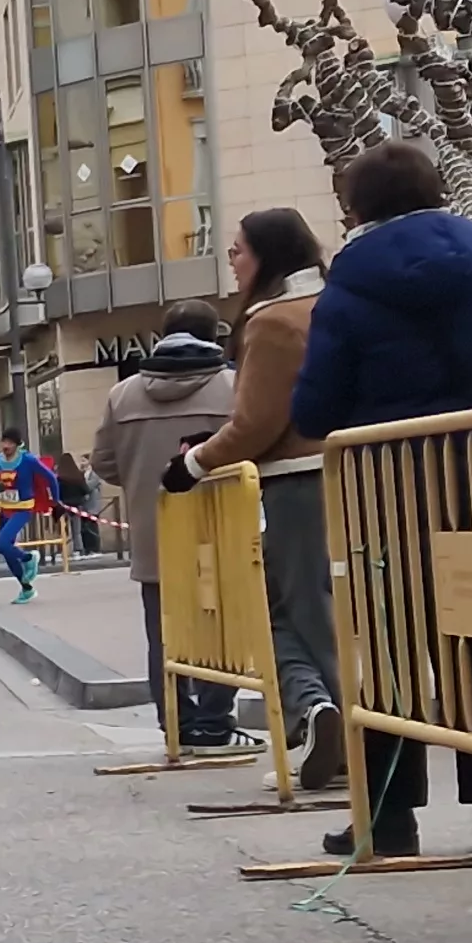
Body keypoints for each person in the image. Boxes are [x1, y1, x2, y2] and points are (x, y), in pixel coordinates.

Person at [271, 139, 472, 857]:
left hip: (388, 485)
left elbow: (316, 405)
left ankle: (390, 817)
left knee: (390, 647)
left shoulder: (352, 282)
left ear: (354, 207)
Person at [175, 206, 340, 786]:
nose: (232, 260)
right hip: (354, 468)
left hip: (297, 478)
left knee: (284, 608)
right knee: (321, 606)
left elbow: (258, 422)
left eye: (239, 249)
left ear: (267, 255)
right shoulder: (333, 301)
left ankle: (322, 716)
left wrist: (192, 463)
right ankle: (324, 714)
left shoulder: (272, 321)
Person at [89, 308, 243, 750]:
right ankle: (215, 720)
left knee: (164, 629)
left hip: (155, 531)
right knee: (224, 626)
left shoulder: (123, 395)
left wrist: (141, 479)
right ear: (215, 335)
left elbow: (103, 463)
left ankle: (176, 719)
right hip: (221, 529)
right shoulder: (234, 388)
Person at [0, 427, 58, 602]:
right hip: (5, 508)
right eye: (4, 442)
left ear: (17, 445)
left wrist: (56, 501)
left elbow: (51, 478)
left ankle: (29, 558)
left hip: (24, 508)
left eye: (10, 442)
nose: (6, 446)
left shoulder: (28, 460)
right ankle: (26, 588)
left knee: (1, 543)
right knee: (6, 551)